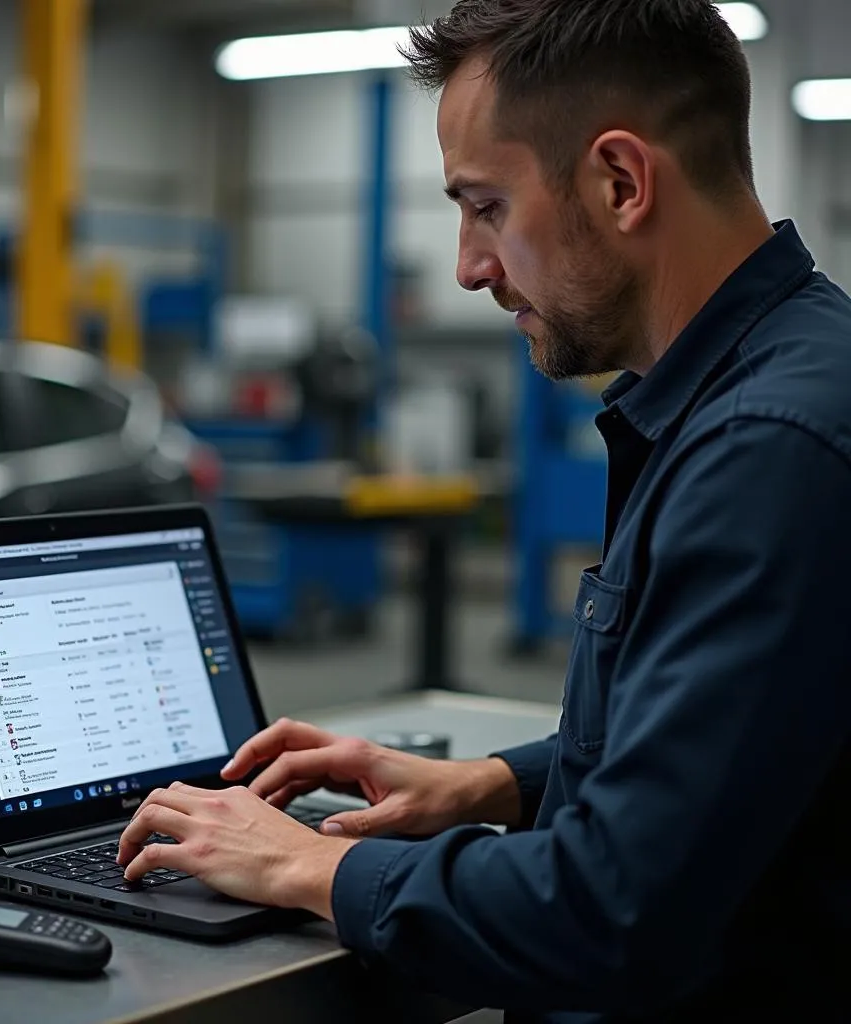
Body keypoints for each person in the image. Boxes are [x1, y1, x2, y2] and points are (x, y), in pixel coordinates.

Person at [118, 1, 850, 1019]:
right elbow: (745, 752)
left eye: (485, 206)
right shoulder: (781, 386)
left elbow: (611, 908)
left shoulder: (766, 447)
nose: (468, 265)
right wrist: (489, 787)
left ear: (620, 181)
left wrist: (301, 866)